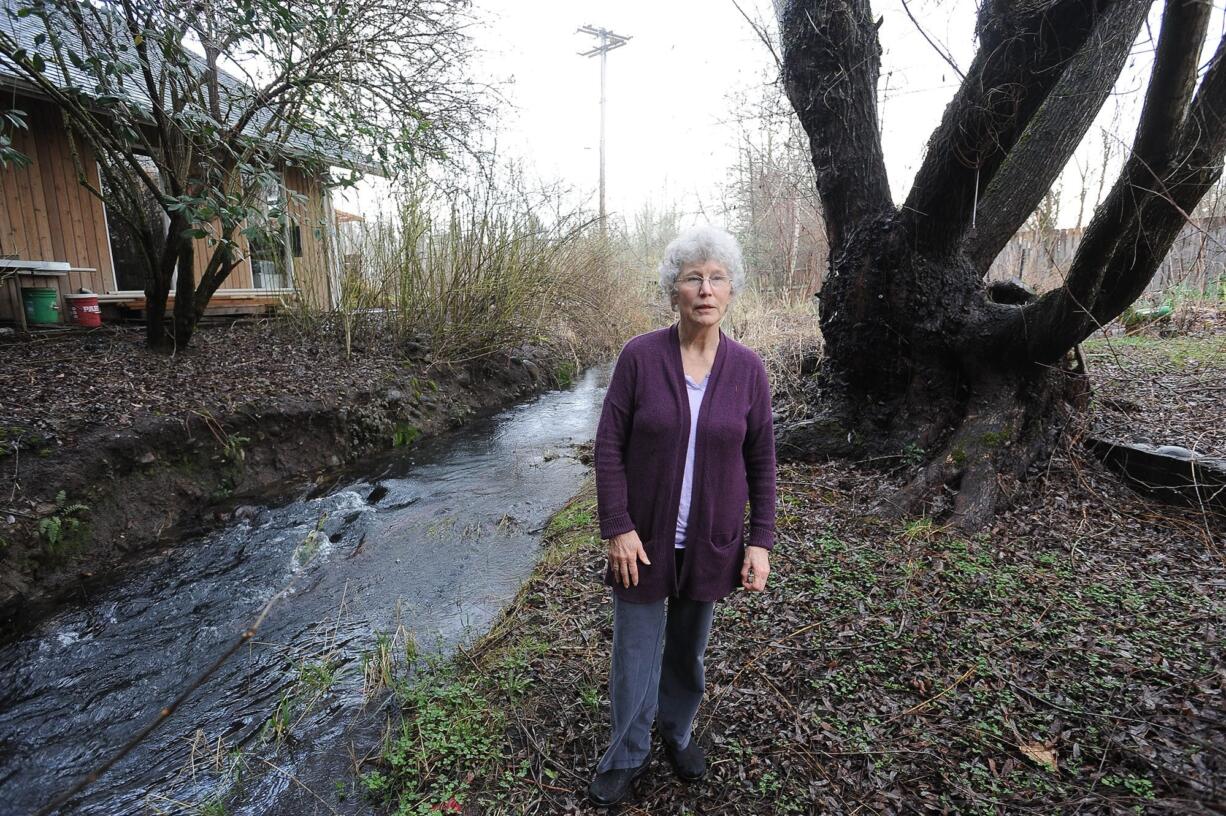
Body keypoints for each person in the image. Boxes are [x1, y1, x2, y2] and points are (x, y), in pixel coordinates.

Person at [587, 225, 777, 807]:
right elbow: (608, 446)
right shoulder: (640, 357)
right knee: (635, 653)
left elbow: (762, 460)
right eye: (693, 277)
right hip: (642, 540)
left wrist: (760, 541)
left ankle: (677, 731)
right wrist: (617, 525)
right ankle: (627, 752)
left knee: (688, 649)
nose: (705, 288)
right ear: (674, 289)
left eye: (717, 278)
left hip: (712, 539)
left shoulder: (748, 370)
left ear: (731, 291)